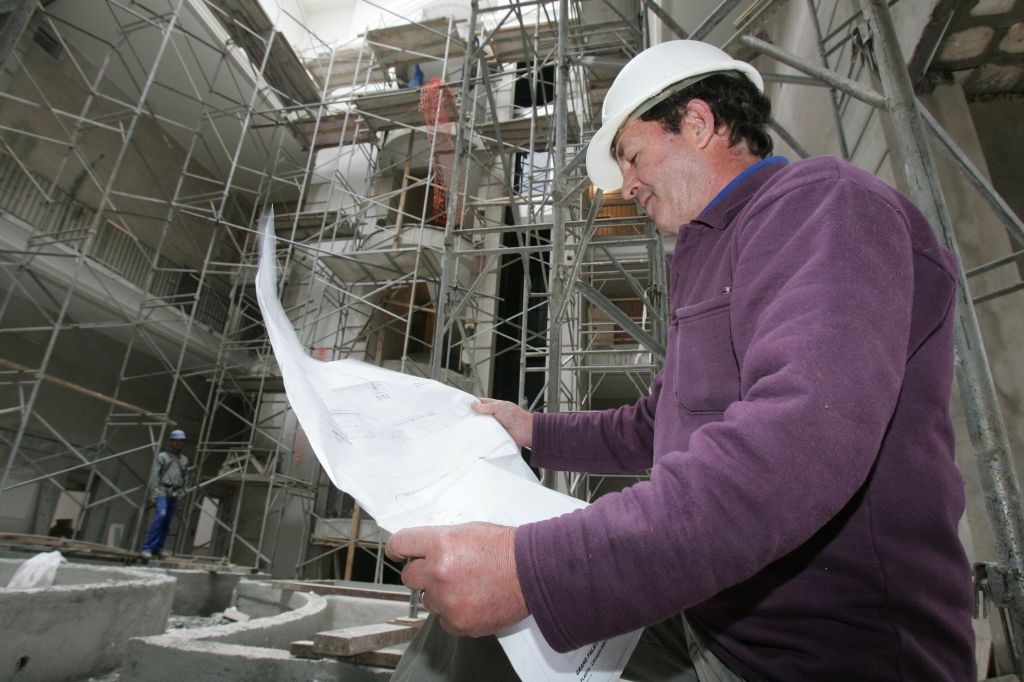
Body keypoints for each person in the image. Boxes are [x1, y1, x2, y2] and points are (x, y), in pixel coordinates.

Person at [385, 40, 975, 680]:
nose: (627, 185)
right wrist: (530, 431)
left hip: (825, 652)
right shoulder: (710, 252)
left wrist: (539, 571)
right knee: (466, 642)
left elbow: (795, 446)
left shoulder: (821, 205)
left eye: (632, 157)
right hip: (716, 614)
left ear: (698, 123)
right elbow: (655, 420)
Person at [141, 428, 189, 560]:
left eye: (181, 441)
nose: (179, 443)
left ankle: (159, 548)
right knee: (160, 516)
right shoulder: (162, 456)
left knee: (167, 521)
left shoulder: (183, 459)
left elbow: (185, 477)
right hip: (162, 490)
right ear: (171, 441)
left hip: (175, 492)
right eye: (177, 440)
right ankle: (148, 548)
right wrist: (153, 493)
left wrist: (183, 491)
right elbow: (154, 475)